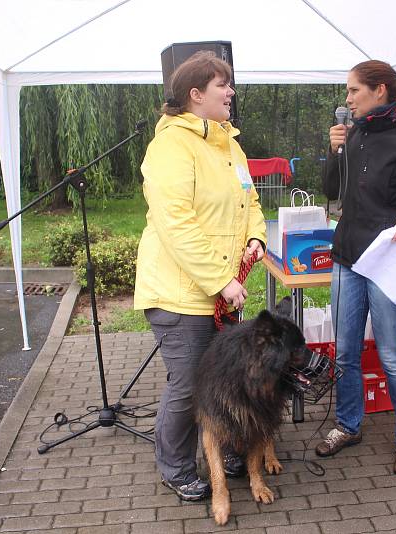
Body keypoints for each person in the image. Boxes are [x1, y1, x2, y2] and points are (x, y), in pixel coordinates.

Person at [134, 51, 266, 501]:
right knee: (189, 385)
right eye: (221, 86)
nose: (230, 92)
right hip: (180, 296)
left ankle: (226, 449)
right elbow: (176, 222)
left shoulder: (230, 144)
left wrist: (256, 239)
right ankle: (175, 467)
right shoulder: (170, 146)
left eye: (229, 84)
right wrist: (220, 280)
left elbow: (251, 202)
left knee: (227, 382)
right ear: (195, 95)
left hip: (221, 292)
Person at [316, 60, 396, 475]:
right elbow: (331, 190)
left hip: (387, 261)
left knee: (392, 354)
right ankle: (348, 424)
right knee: (346, 353)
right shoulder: (353, 138)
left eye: (354, 90)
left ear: (381, 91)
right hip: (348, 258)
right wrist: (335, 149)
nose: (347, 99)